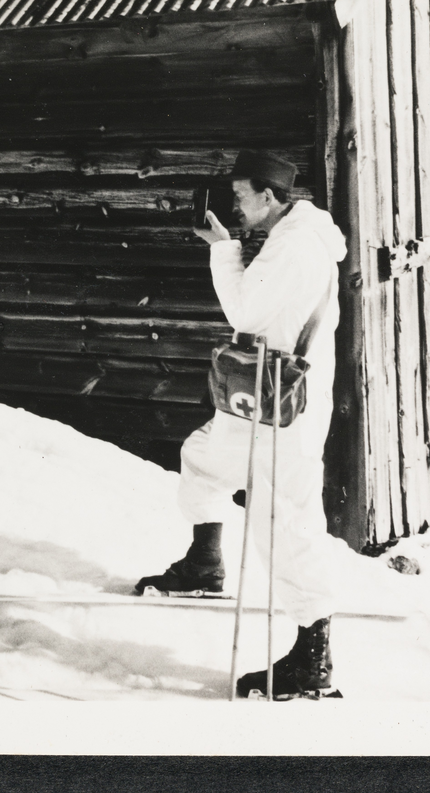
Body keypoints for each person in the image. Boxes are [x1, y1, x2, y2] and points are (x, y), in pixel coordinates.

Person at [134, 150, 349, 699]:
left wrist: (223, 249)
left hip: (284, 409)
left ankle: (312, 654)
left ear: (271, 197)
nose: (234, 206)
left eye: (240, 196)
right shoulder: (292, 236)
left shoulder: (296, 246)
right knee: (204, 458)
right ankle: (204, 565)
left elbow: (245, 313)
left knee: (287, 521)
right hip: (261, 395)